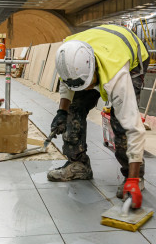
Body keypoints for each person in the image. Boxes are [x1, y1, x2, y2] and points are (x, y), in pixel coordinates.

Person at [48, 24, 149, 209]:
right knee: (74, 107)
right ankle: (78, 164)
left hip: (131, 55)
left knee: (120, 121)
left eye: (87, 84)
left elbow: (134, 128)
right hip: (99, 48)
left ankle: (134, 177)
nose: (87, 90)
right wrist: (61, 112)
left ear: (94, 70)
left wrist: (133, 179)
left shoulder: (116, 76)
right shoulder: (68, 56)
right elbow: (66, 86)